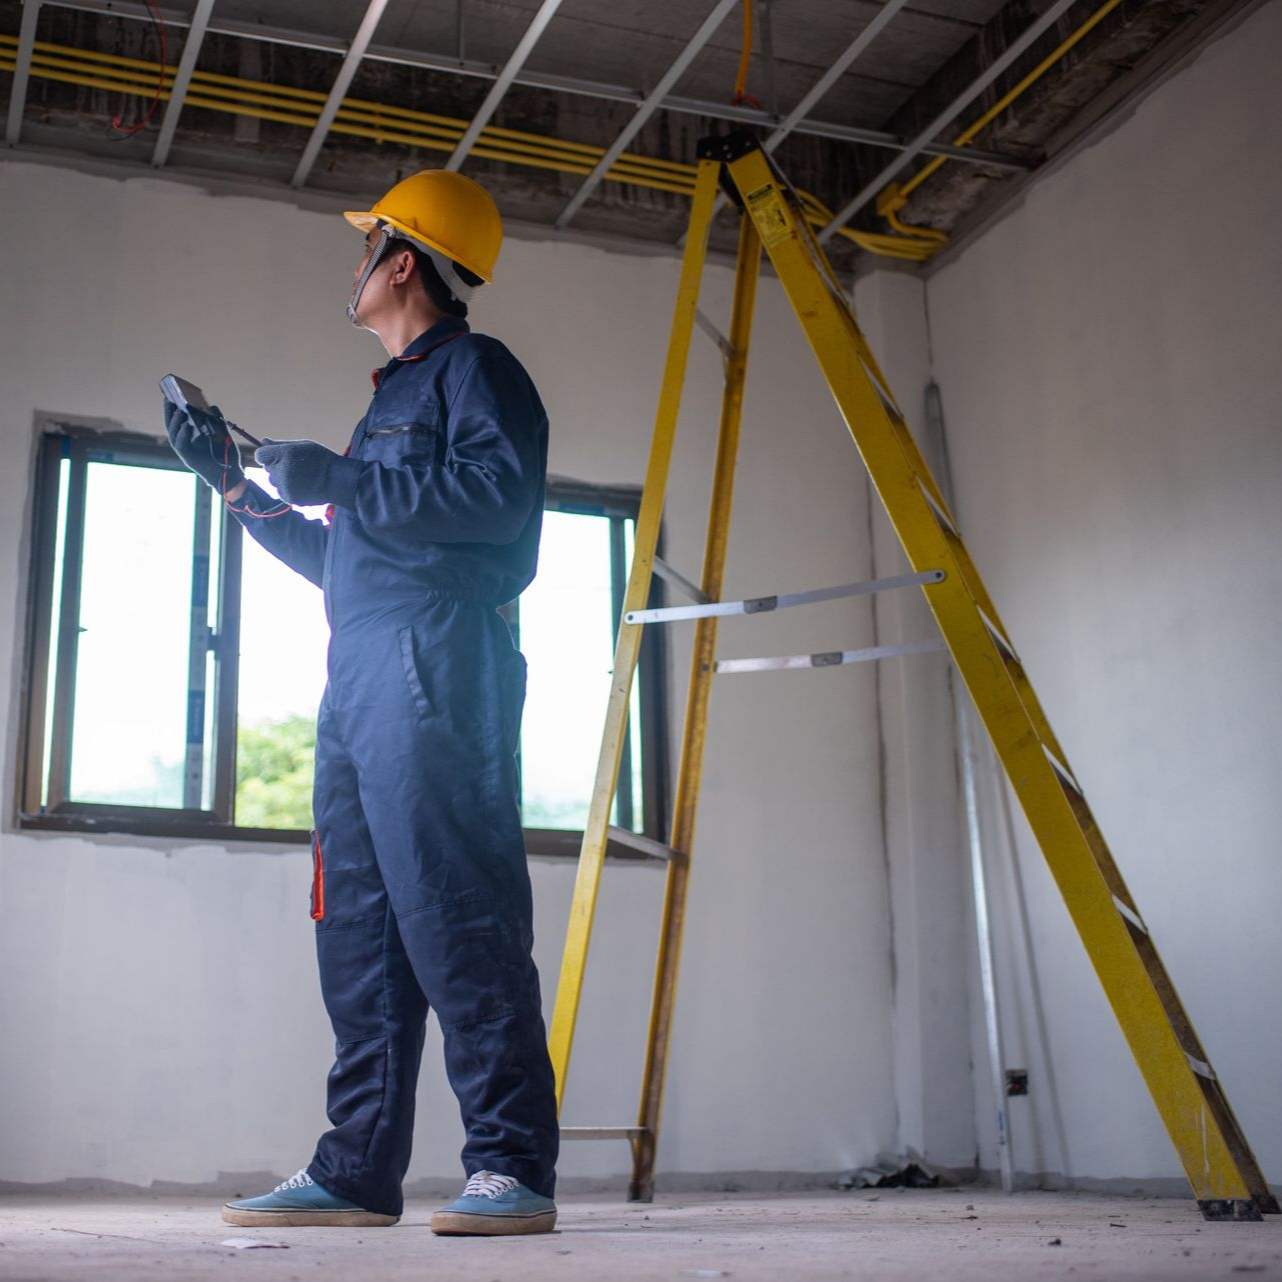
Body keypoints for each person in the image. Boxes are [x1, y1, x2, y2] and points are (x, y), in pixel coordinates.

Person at [163, 170, 559, 1236]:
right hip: (362, 673)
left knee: (457, 908)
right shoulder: (389, 396)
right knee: (363, 928)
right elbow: (347, 558)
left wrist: (337, 473)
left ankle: (510, 1165)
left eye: (364, 250)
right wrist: (240, 490)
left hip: (438, 668)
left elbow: (497, 500)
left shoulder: (474, 371)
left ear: (401, 261)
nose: (352, 270)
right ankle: (356, 1167)